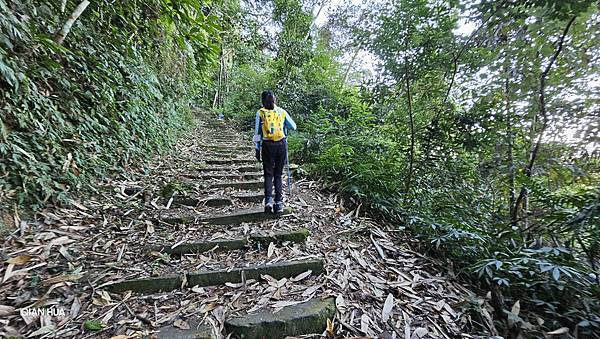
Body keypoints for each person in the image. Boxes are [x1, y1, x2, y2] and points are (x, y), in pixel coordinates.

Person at [253, 90, 297, 214]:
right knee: (278, 174)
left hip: (267, 145)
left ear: (262, 101)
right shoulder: (282, 112)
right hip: (281, 145)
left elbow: (257, 134)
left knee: (268, 174)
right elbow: (293, 126)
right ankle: (279, 203)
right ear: (275, 100)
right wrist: (284, 126)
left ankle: (268, 201)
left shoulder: (260, 113)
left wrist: (257, 149)